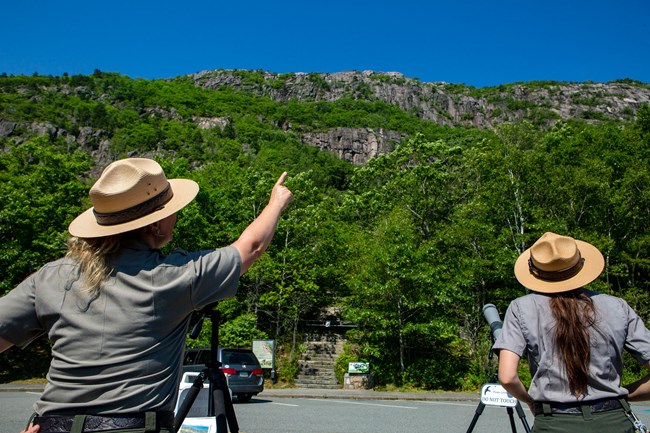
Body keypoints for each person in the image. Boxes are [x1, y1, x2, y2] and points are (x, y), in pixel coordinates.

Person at [0, 157, 293, 433]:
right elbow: (251, 247)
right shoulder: (174, 277)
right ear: (155, 225)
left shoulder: (52, 276)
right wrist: (276, 202)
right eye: (170, 211)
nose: (175, 217)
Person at [493, 231, 650, 433]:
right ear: (580, 265)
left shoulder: (521, 308)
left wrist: (530, 401)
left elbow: (507, 377)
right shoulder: (616, 306)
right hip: (614, 421)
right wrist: (620, 395)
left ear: (534, 271)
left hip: (554, 423)